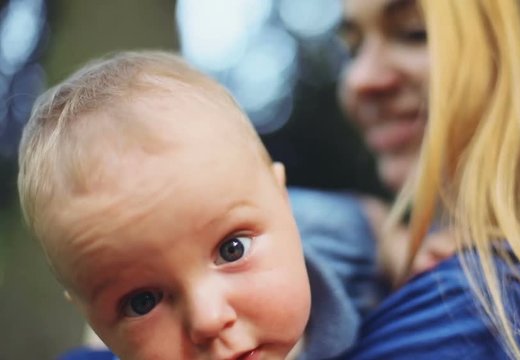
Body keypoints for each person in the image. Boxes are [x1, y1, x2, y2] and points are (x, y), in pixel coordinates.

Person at [17, 51, 383, 360]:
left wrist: (403, 247)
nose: (207, 319)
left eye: (232, 249)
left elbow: (369, 219)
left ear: (282, 200)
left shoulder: (337, 247)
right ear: (93, 320)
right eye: (142, 301)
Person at [336, 0, 520, 359]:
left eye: (415, 33)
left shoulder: (474, 308)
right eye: (353, 48)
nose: (359, 79)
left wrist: (359, 226)